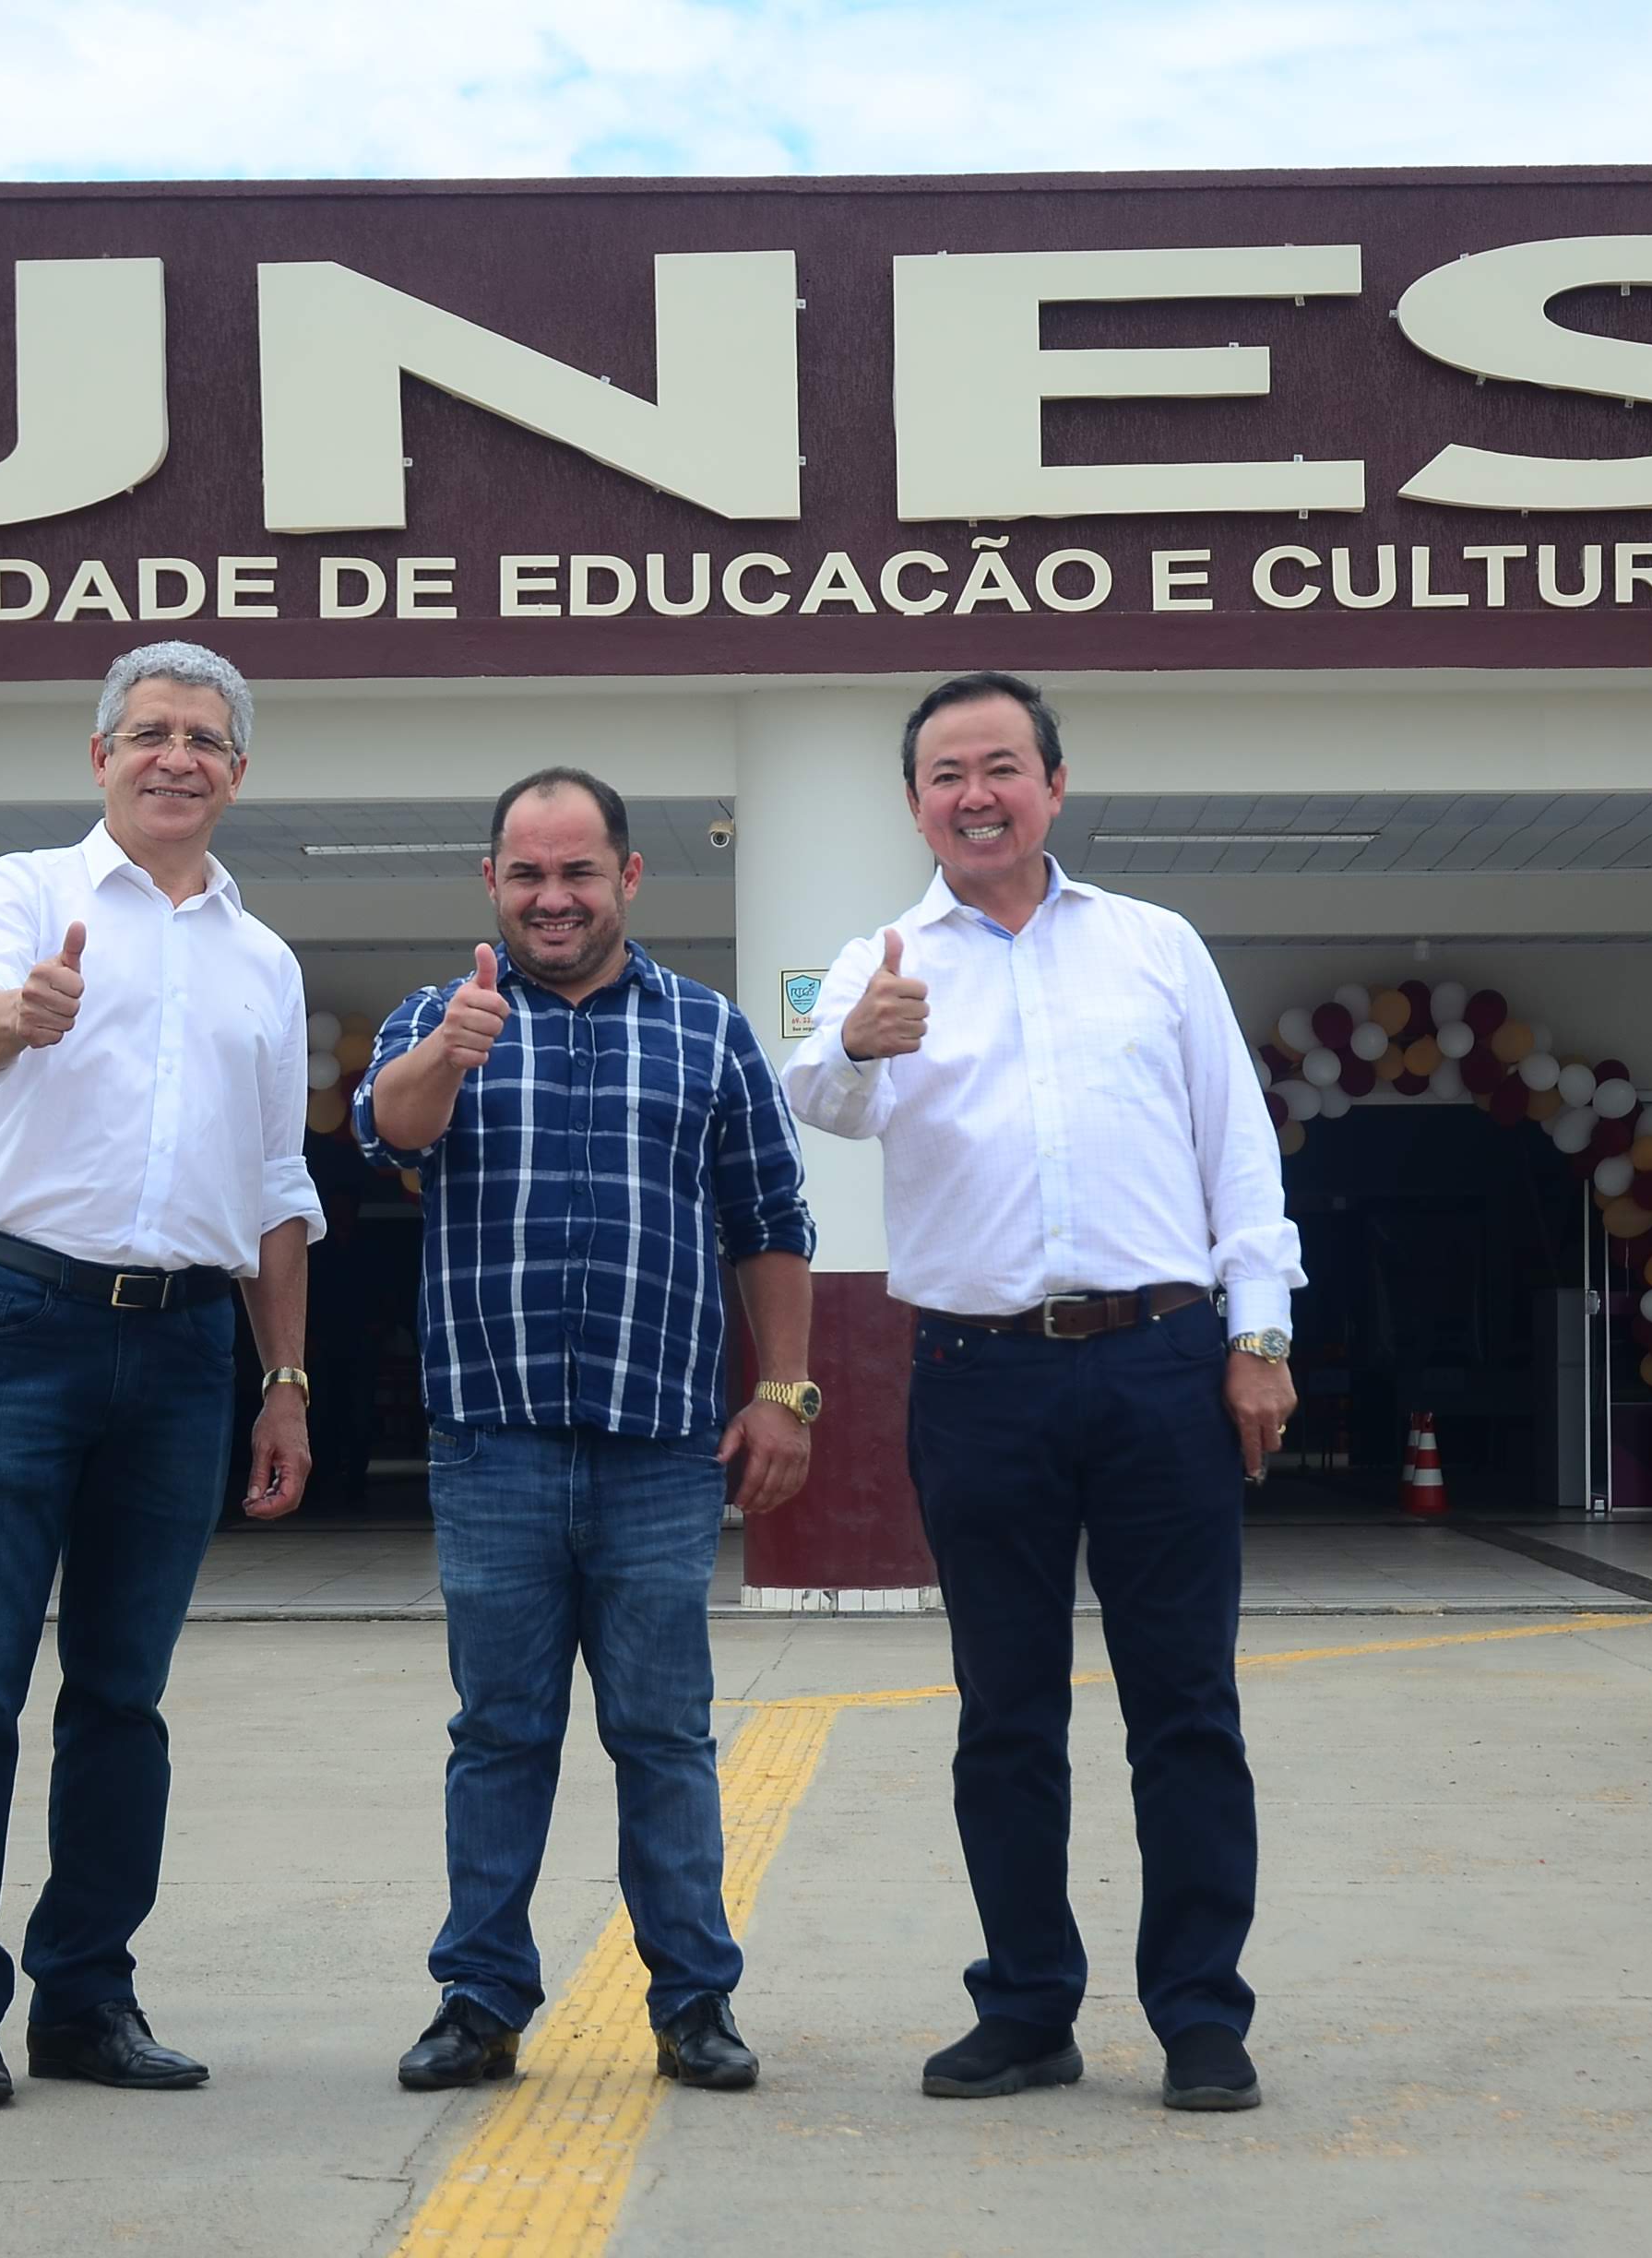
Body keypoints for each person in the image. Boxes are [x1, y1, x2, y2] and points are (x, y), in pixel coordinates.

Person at [783, 671, 1303, 2115]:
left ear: (1055, 786)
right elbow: (816, 1097)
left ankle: (1201, 2015)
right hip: (979, 1375)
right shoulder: (881, 961)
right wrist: (859, 1043)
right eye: (946, 774)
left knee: (1185, 1708)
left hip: (1161, 1364)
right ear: (914, 805)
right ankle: (1024, 2009)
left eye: (1002, 766)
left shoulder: (1153, 945)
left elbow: (1238, 1151)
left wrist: (1259, 1336)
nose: (977, 795)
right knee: (1005, 1714)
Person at [0, 640, 324, 2108]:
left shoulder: (265, 964)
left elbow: (276, 1187)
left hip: (189, 1345)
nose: (176, 757)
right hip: (23, 1319)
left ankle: (86, 1997)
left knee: (123, 1695)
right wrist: (17, 1015)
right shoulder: (25, 893)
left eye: (205, 738)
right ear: (100, 757)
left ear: (238, 773)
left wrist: (286, 1380)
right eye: (149, 732)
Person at [356, 766, 818, 2097]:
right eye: (527, 874)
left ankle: (694, 2003)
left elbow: (771, 1221)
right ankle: (480, 2000)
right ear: (491, 883)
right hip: (491, 1442)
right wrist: (448, 1054)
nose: (552, 897)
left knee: (663, 1734)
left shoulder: (708, 1030)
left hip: (659, 1447)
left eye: (577, 871)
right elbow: (390, 1136)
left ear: (628, 876)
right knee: (499, 1733)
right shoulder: (437, 1017)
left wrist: (786, 1392)